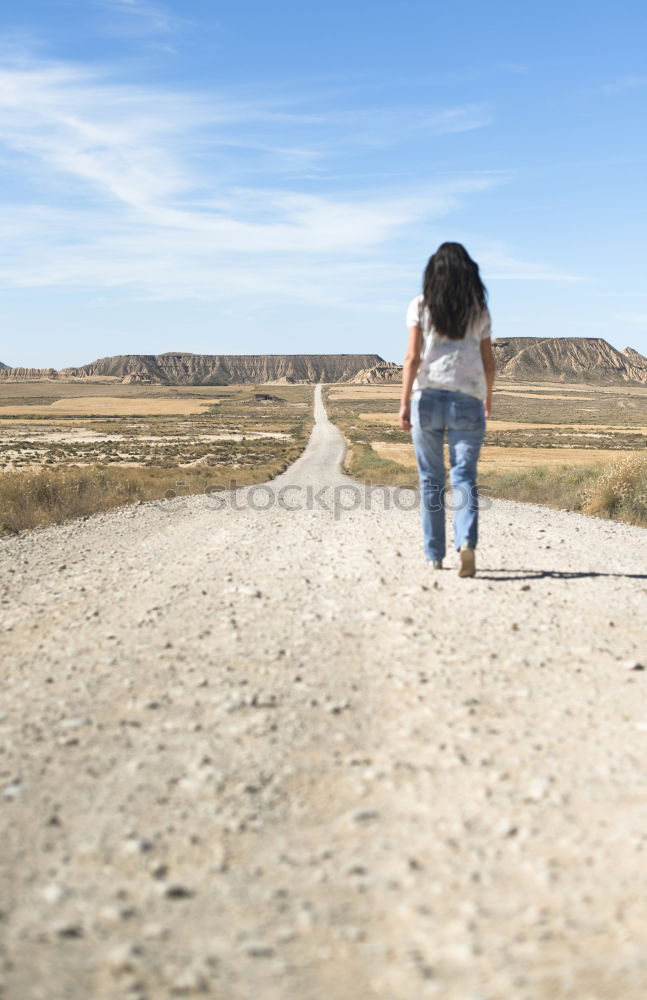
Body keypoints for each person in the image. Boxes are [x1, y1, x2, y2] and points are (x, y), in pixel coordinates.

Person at [399, 242, 495, 577]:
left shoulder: (421, 306)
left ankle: (434, 555)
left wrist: (403, 404)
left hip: (426, 397)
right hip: (467, 399)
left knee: (430, 479)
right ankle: (466, 543)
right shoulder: (479, 309)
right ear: (469, 273)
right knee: (464, 475)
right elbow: (488, 363)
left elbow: (411, 358)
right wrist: (488, 397)